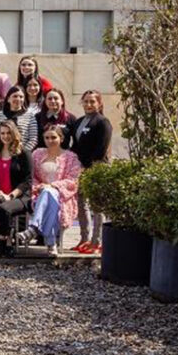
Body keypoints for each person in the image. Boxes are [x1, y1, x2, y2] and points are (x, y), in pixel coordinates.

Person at [16, 125, 82, 257]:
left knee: (50, 193)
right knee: (48, 197)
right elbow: (31, 177)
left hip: (63, 196)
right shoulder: (37, 154)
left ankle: (33, 228)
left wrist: (52, 186)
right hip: (38, 194)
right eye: (46, 137)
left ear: (61, 138)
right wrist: (41, 187)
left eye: (53, 137)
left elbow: (73, 181)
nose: (49, 140)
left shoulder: (71, 157)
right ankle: (51, 244)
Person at [71, 89, 113, 254]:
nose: (88, 105)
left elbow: (100, 149)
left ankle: (97, 241)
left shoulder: (103, 122)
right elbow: (76, 146)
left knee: (97, 206)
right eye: (86, 101)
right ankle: (84, 238)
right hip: (80, 168)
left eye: (92, 102)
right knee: (81, 204)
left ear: (99, 103)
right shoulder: (79, 121)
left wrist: (86, 166)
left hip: (97, 168)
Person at [0, 121, 32, 258]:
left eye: (8, 133)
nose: (5, 136)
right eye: (2, 133)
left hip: (19, 196)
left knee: (4, 208)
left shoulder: (24, 153)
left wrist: (11, 195)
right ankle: (6, 240)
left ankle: (2, 241)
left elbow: (27, 181)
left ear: (14, 133)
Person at [0, 85, 39, 151]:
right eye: (15, 96)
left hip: (22, 153)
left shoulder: (30, 116)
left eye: (21, 97)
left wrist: (22, 152)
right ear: (8, 99)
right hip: (2, 153)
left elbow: (33, 139)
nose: (18, 99)